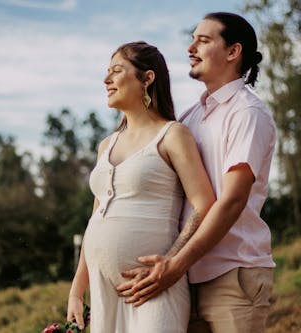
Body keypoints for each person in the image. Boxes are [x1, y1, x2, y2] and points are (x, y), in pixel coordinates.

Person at [116, 12, 277, 333]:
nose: (191, 47)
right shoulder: (189, 118)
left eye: (204, 40)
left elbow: (231, 202)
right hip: (185, 280)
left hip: (232, 276)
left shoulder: (247, 113)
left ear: (233, 52)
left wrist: (175, 264)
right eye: (192, 39)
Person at [66, 41, 215, 332]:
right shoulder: (106, 145)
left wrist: (169, 264)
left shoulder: (172, 135)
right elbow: (96, 219)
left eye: (117, 71)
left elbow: (204, 203)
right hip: (103, 291)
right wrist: (76, 289)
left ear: (147, 78)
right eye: (106, 72)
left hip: (154, 289)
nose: (106, 79)